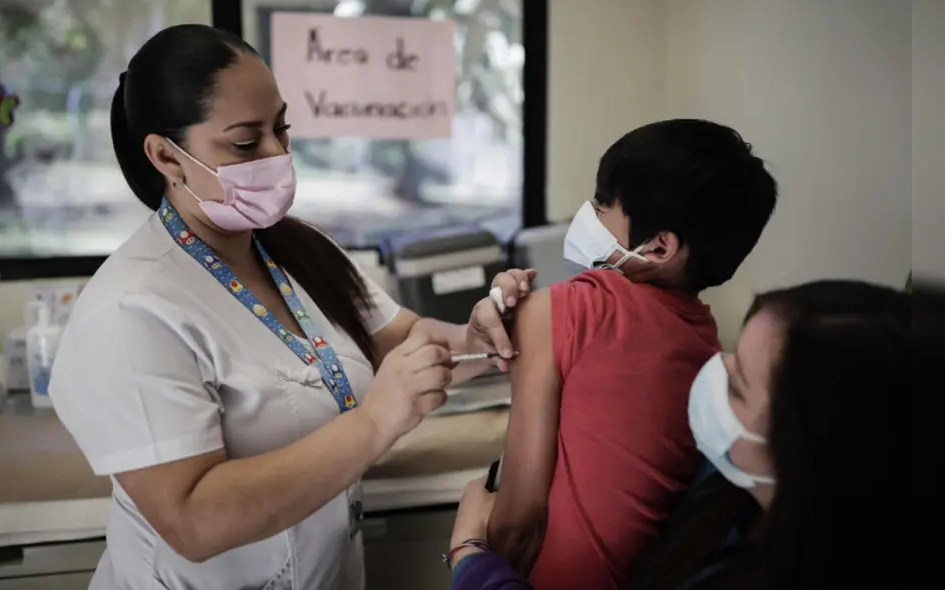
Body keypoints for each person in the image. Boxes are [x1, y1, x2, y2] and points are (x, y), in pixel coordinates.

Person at [47, 24, 532, 590]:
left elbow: (398, 340)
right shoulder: (130, 309)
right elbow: (192, 521)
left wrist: (475, 338)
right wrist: (375, 422)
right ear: (166, 157)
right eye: (246, 144)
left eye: (281, 128)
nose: (277, 155)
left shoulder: (298, 248)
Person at [448, 279, 910, 590]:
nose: (712, 372)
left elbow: (516, 523)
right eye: (731, 355)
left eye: (737, 385)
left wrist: (471, 555)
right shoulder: (729, 495)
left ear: (804, 451)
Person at [473, 119, 778, 589]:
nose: (588, 214)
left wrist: (470, 545)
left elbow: (517, 525)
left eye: (602, 205)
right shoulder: (707, 345)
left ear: (659, 246)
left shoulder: (562, 309)